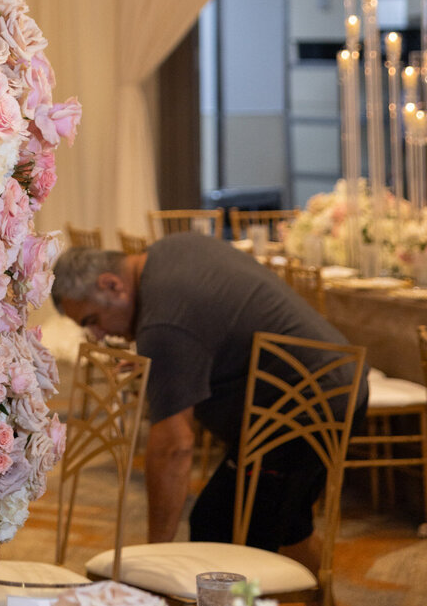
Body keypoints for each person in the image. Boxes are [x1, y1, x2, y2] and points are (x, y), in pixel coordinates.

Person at [52, 234, 367, 572]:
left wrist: (153, 561)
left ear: (112, 285)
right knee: (285, 524)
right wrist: (165, 359)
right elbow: (204, 325)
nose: (99, 336)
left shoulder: (163, 322)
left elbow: (174, 448)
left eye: (92, 321)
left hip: (310, 404)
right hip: (332, 386)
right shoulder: (168, 251)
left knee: (222, 530)